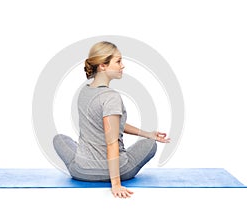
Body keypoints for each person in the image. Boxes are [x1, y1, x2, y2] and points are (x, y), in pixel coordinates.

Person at [53, 41, 170, 198]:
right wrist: (116, 183)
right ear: (103, 66)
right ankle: (113, 171)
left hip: (82, 171)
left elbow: (112, 126)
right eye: (118, 61)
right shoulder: (111, 97)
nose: (123, 66)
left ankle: (85, 156)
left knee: (59, 139)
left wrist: (148, 133)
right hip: (119, 171)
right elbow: (111, 142)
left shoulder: (84, 92)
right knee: (150, 145)